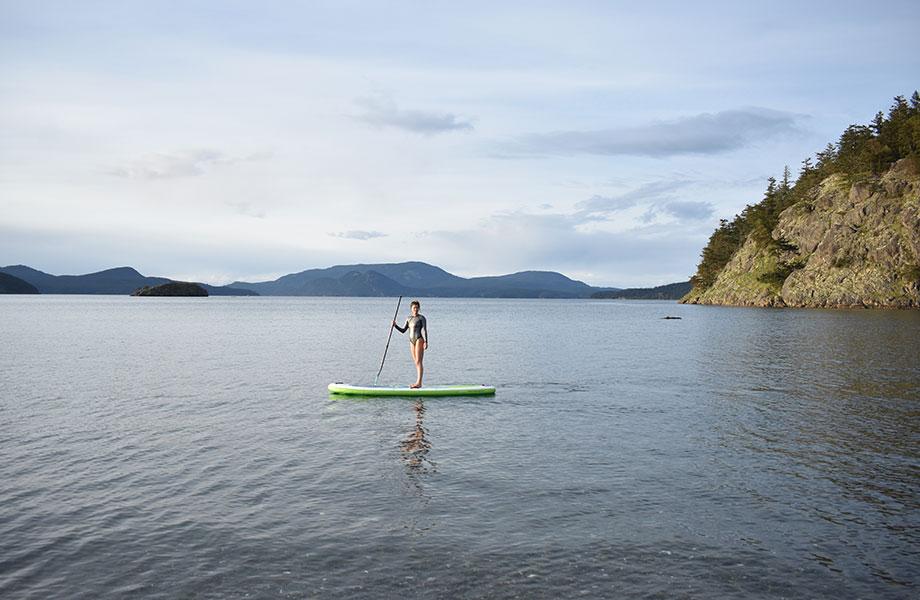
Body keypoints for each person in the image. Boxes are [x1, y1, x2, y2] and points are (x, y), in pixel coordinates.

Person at [393, 300, 428, 388]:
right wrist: (395, 326)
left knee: (418, 361)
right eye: (414, 308)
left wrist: (426, 341)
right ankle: (418, 382)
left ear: (419, 308)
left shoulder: (421, 318)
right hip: (411, 341)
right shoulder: (409, 318)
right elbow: (403, 331)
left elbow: (424, 330)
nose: (415, 309)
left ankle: (419, 383)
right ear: (411, 309)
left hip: (419, 339)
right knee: (416, 362)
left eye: (417, 307)